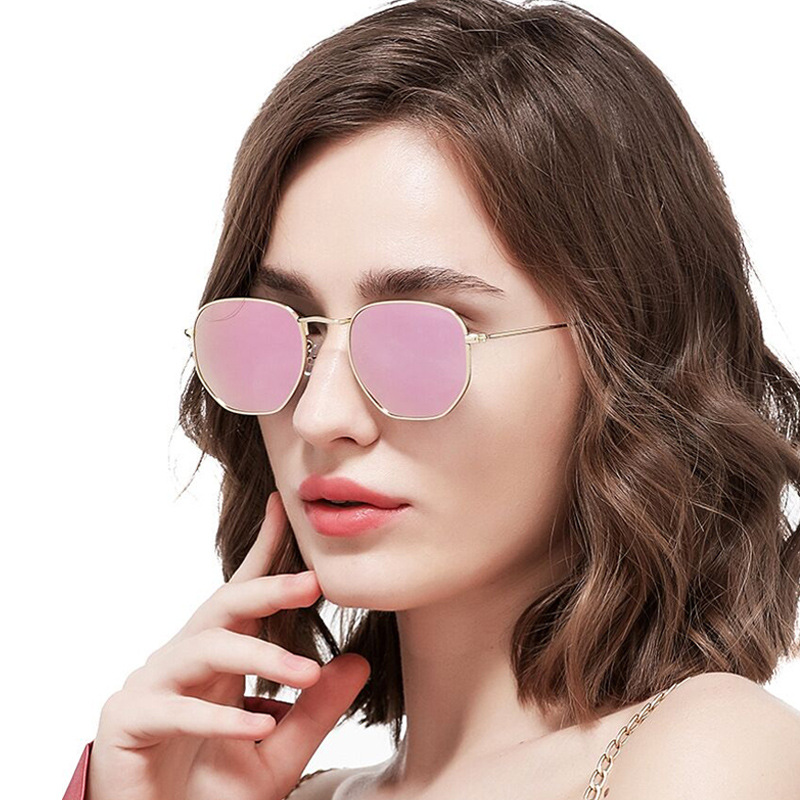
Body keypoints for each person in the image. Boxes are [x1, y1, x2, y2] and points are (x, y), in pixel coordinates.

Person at [63, 1, 800, 798]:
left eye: (421, 335)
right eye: (289, 330)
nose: (320, 415)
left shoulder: (710, 755)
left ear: (627, 358)